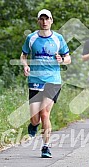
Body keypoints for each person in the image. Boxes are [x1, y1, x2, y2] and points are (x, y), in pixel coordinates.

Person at [20, 9, 71, 158]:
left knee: (44, 113)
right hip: (35, 81)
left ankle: (46, 147)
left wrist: (62, 60)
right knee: (35, 118)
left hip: (53, 81)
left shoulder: (58, 38)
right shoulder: (31, 38)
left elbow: (68, 58)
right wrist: (25, 65)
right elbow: (23, 56)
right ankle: (33, 125)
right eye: (41, 19)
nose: (44, 22)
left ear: (51, 20)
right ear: (38, 21)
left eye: (47, 19)